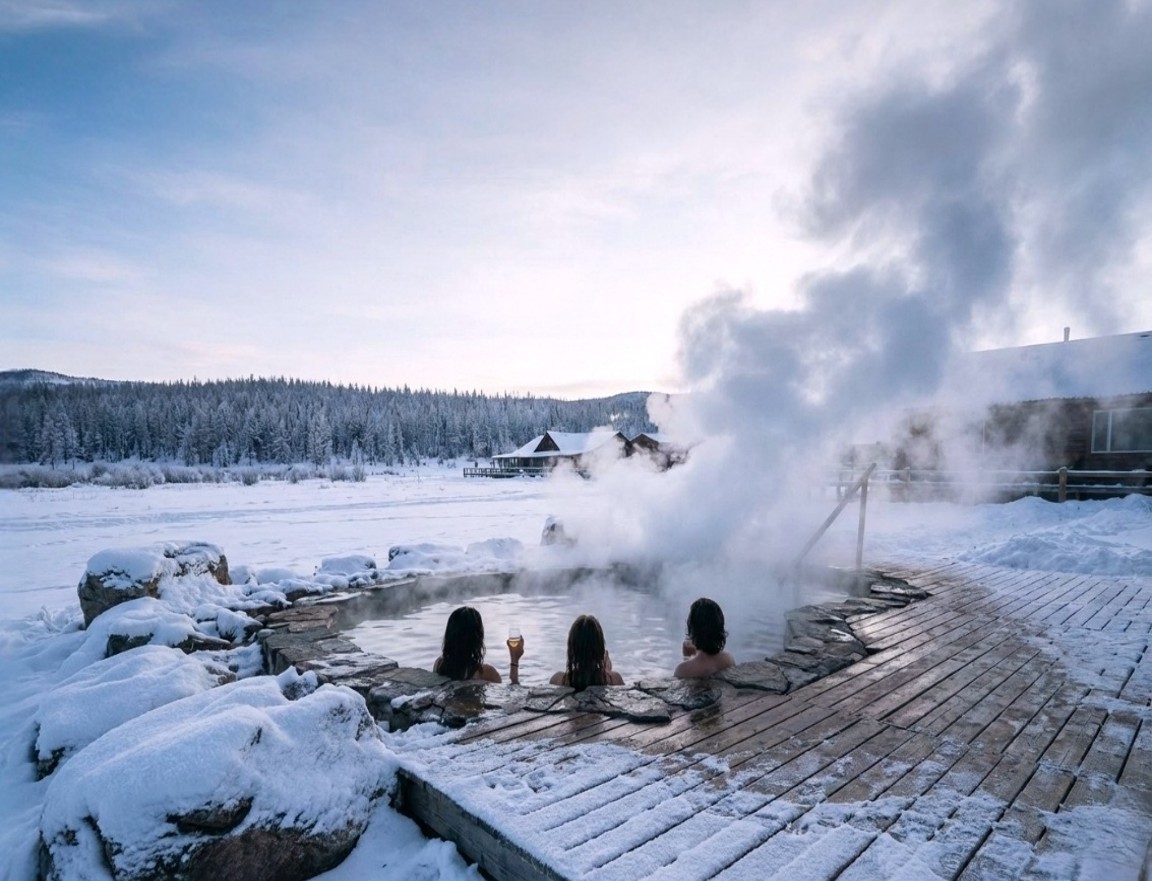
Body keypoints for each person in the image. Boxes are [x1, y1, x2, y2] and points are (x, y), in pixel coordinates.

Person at [433, 606, 520, 684]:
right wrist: (514, 658)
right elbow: (511, 693)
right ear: (477, 638)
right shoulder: (485, 672)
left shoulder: (439, 665)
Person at [550, 614, 624, 690]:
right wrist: (607, 672)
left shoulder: (558, 680)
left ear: (571, 649)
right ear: (600, 650)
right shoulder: (615, 680)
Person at [674, 597, 735, 679]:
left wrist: (687, 658)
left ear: (692, 627)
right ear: (720, 627)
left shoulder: (682, 670)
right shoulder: (728, 660)